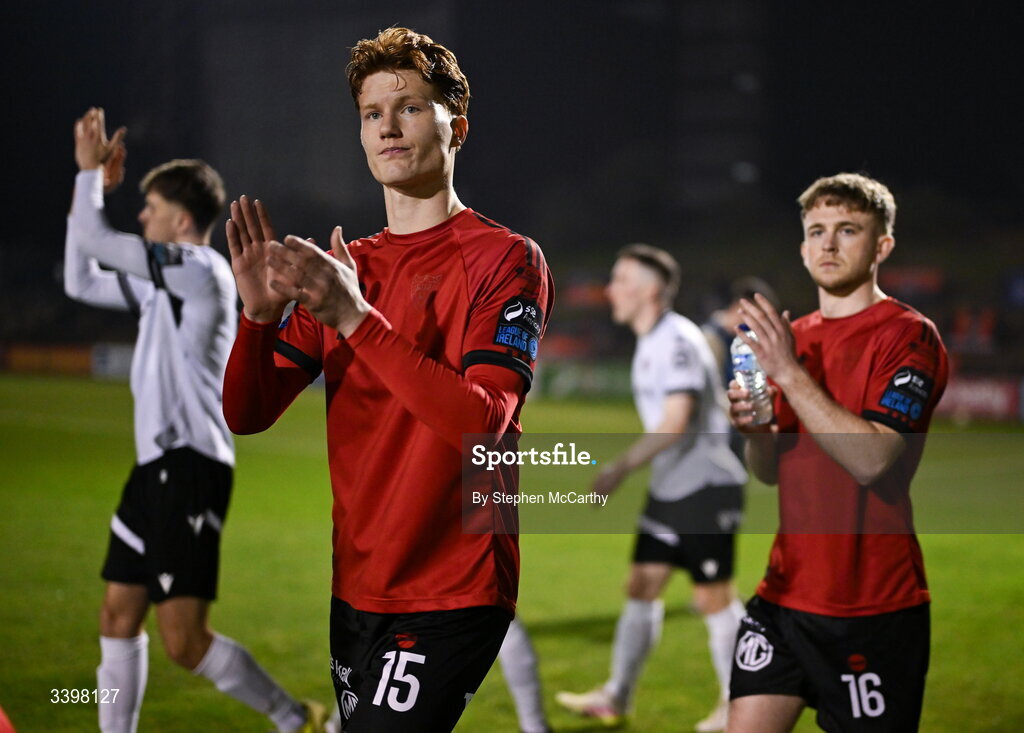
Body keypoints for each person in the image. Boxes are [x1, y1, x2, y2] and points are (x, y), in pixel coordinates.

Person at [221, 27, 554, 733]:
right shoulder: (347, 267)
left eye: (407, 106)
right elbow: (246, 413)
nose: (386, 127)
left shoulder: (506, 258)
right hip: (360, 584)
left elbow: (484, 418)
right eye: (371, 113)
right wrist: (255, 320)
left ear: (456, 127)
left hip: (455, 583)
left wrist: (355, 318)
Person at [64, 109, 324, 733]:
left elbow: (97, 245)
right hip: (154, 468)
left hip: (190, 465)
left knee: (184, 642)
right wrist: (97, 189)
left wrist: (88, 177)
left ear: (182, 220)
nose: (141, 216)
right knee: (116, 616)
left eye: (149, 207)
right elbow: (79, 277)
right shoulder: (162, 286)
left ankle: (299, 719)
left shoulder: (200, 272)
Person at [724, 173, 948, 733]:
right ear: (802, 248)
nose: (828, 244)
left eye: (848, 230)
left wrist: (789, 375)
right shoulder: (792, 336)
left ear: (882, 246)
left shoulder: (909, 335)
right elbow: (769, 473)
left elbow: (873, 460)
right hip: (784, 593)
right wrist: (756, 431)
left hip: (871, 607)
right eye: (816, 231)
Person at [556, 244, 747, 732]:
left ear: (650, 291)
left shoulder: (676, 339)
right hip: (672, 488)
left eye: (621, 280)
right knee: (641, 585)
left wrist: (618, 468)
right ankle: (617, 695)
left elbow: (676, 421)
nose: (610, 289)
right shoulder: (653, 339)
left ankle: (739, 707)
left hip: (705, 486)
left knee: (713, 597)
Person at [701, 277, 780, 461]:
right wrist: (744, 414)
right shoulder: (709, 339)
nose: (760, 324)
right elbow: (711, 394)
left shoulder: (742, 341)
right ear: (741, 308)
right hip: (717, 431)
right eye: (757, 316)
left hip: (737, 426)